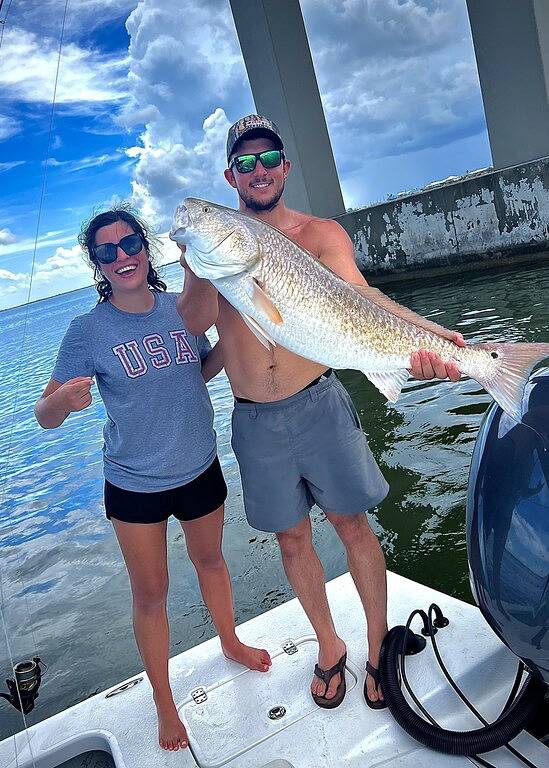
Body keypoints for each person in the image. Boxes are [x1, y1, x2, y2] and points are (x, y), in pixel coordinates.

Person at [177, 115, 463, 709]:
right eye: (245, 163)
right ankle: (329, 647)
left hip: (321, 404)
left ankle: (378, 645)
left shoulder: (322, 232)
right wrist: (198, 266)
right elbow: (191, 325)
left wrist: (441, 340)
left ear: (284, 167)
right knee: (290, 540)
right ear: (231, 176)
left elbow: (364, 297)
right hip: (254, 417)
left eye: (268, 159)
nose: (258, 171)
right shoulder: (211, 258)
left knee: (353, 525)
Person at [34, 207, 271, 751]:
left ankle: (230, 641)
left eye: (129, 243)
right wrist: (63, 402)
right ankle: (165, 703)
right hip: (134, 483)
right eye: (106, 252)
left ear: (146, 246)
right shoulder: (87, 331)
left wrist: (230, 356)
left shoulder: (181, 310)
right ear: (96, 264)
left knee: (212, 561)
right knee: (151, 593)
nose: (122, 257)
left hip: (198, 466)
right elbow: (43, 417)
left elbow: (203, 366)